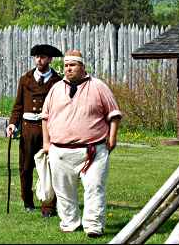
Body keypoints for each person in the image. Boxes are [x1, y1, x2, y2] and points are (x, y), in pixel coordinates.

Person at [41, 49, 122, 237]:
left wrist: (112, 139)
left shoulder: (98, 87)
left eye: (73, 65)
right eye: (66, 65)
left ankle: (93, 226)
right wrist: (47, 143)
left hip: (93, 151)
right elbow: (45, 117)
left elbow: (114, 114)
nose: (68, 69)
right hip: (60, 151)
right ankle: (69, 223)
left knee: (94, 187)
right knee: (63, 192)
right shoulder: (55, 89)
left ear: (82, 66)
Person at [6, 44, 63, 217]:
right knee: (25, 167)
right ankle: (27, 201)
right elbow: (18, 106)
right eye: (37, 56)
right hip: (28, 130)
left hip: (48, 130)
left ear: (50, 59)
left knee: (50, 167)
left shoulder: (57, 81)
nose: (40, 59)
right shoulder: (25, 79)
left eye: (43, 57)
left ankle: (48, 206)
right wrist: (12, 124)